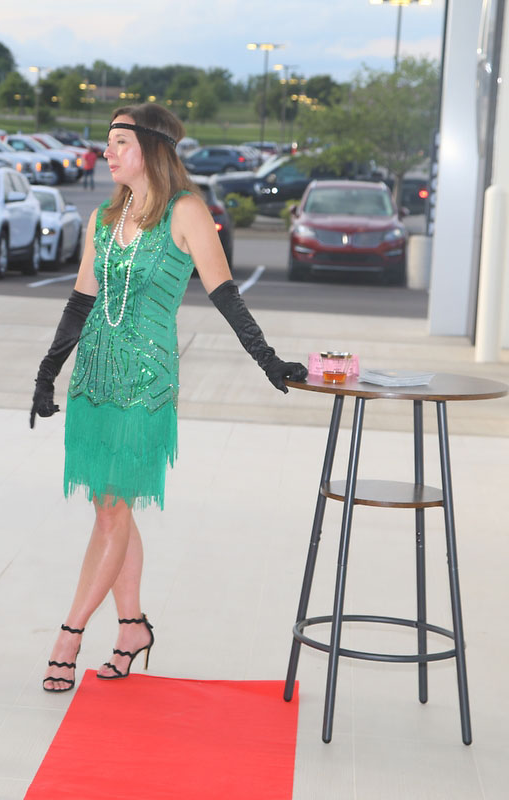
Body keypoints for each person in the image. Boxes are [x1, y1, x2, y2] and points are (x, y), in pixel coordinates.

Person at [29, 103, 306, 693]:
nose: (107, 152)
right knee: (112, 508)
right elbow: (81, 300)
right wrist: (47, 372)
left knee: (112, 509)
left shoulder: (186, 212)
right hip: (95, 378)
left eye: (119, 142)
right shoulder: (105, 217)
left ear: (153, 149)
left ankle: (68, 635)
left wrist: (268, 360)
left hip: (145, 384)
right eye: (108, 142)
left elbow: (226, 293)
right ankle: (131, 629)